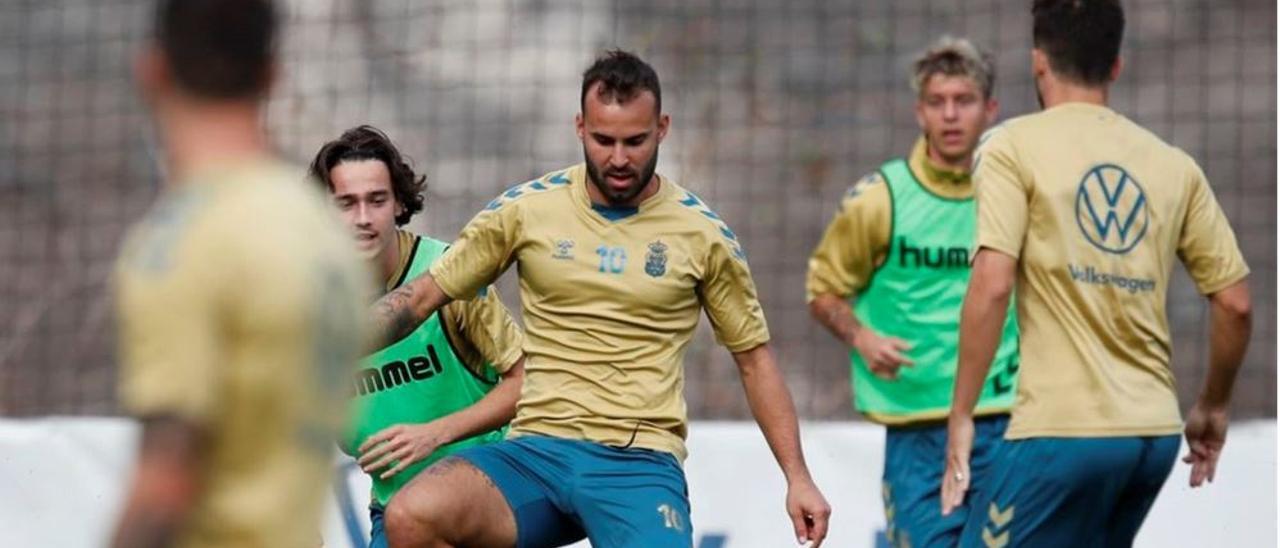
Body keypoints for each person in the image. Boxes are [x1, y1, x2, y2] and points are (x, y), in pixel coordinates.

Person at [363, 50, 831, 547]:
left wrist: (797, 478)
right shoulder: (527, 209)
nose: (619, 158)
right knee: (413, 514)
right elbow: (421, 296)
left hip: (638, 461)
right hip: (535, 453)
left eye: (635, 140)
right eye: (604, 140)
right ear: (580, 127)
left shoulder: (703, 234)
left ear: (662, 128)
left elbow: (754, 361)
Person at [941, 1, 1253, 546]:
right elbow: (1235, 303)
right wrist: (1214, 404)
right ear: (1116, 66)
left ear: (1039, 63)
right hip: (1151, 437)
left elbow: (992, 283)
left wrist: (962, 414)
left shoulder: (1011, 146)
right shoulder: (1173, 165)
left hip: (1061, 434)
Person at [110, 1, 370, 547]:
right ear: (271, 72)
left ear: (152, 71)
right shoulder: (323, 233)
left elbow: (165, 484)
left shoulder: (183, 242)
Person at [806, 36, 1016, 548]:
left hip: (1005, 421)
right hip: (917, 429)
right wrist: (861, 337)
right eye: (937, 102)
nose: (950, 115)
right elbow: (823, 290)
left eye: (963, 101)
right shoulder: (880, 198)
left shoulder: (1014, 194)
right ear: (918, 110)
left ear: (989, 109)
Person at [308, 125, 526, 548]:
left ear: (400, 202)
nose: (363, 219)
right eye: (346, 204)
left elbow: (526, 384)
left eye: (377, 200)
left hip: (487, 491)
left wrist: (435, 433)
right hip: (395, 509)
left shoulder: (448, 273)